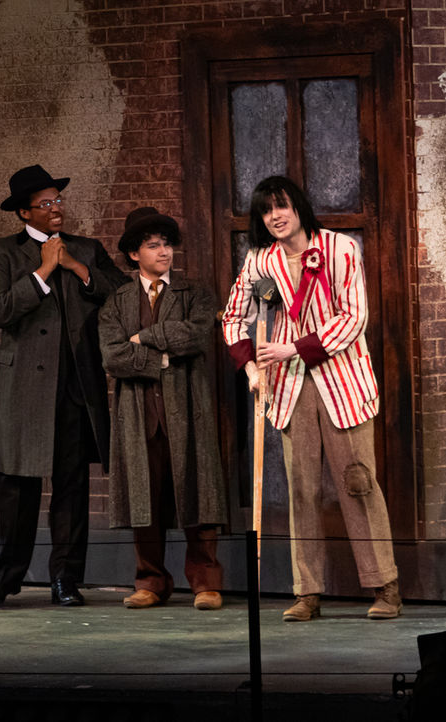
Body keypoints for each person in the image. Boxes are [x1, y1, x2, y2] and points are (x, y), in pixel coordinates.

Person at [222, 175, 401, 621]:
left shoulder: (340, 249)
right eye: (266, 210)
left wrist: (293, 348)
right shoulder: (260, 260)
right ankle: (308, 591)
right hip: (289, 388)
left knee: (358, 482)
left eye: (281, 206)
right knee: (302, 489)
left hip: (343, 383)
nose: (275, 216)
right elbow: (232, 317)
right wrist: (250, 367)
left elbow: (354, 317)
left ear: (298, 206)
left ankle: (385, 585)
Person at [0, 164, 125, 606]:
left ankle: (66, 579)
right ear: (24, 212)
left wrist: (77, 268)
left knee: (71, 487)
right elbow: (0, 310)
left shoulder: (87, 249)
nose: (56, 208)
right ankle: (7, 577)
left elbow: (122, 296)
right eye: (45, 203)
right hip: (25, 389)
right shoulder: (0, 254)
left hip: (75, 388)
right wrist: (42, 271)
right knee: (16, 488)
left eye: (58, 200)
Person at [98, 207, 227, 610]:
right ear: (134, 254)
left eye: (167, 244)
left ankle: (206, 583)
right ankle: (150, 581)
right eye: (154, 245)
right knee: (144, 498)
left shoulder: (194, 294)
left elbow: (197, 334)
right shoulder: (117, 301)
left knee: (199, 494)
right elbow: (112, 356)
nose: (164, 252)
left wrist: (144, 337)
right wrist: (163, 358)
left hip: (187, 409)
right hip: (140, 415)